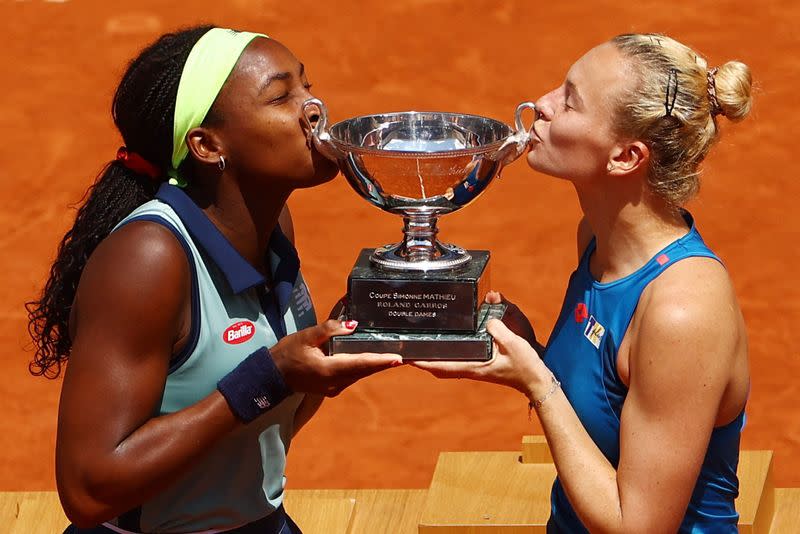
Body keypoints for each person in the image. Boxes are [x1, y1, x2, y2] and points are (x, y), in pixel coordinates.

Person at [25, 25, 402, 534]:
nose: (314, 109)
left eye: (307, 86)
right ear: (206, 145)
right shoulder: (149, 259)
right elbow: (88, 491)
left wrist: (344, 339)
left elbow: (260, 422)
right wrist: (269, 378)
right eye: (280, 96)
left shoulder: (271, 229)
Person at [414, 33, 752, 533]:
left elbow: (636, 526)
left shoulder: (683, 310)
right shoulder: (597, 240)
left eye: (569, 101)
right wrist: (531, 349)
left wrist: (536, 380)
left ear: (625, 157)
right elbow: (610, 410)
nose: (542, 105)